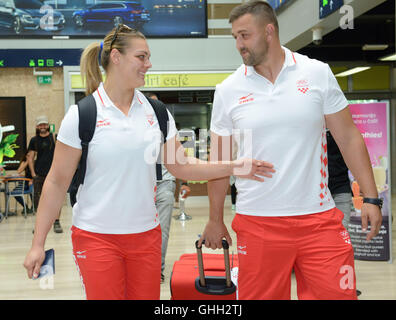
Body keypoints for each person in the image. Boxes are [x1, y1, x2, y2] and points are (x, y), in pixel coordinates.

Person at [23, 24, 274, 300]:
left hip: (146, 237)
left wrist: (235, 166)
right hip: (96, 237)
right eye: (141, 57)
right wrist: (38, 244)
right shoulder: (82, 114)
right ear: (116, 57)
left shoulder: (157, 113)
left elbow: (182, 166)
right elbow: (57, 183)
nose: (149, 64)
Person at [199, 1, 382, 300]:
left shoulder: (316, 73)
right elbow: (218, 162)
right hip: (257, 223)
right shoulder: (228, 90)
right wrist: (215, 218)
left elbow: (348, 137)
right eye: (235, 37)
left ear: (269, 31)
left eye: (244, 35)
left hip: (319, 219)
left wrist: (371, 197)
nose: (239, 45)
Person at [144, 91, 191, 283]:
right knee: (142, 230)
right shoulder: (136, 127)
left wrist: (185, 182)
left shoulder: (166, 123)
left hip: (165, 183)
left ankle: (157, 269)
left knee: (162, 229)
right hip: (141, 185)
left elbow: (180, 158)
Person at [27, 115, 63, 233]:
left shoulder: (54, 138)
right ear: (37, 126)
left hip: (53, 175)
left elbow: (61, 154)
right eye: (40, 125)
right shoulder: (34, 140)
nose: (43, 126)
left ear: (48, 125)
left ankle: (56, 223)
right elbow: (30, 157)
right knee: (39, 201)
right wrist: (33, 174)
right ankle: (39, 225)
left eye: (44, 124)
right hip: (39, 175)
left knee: (56, 200)